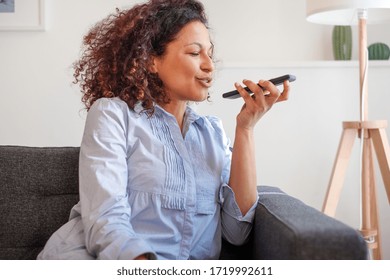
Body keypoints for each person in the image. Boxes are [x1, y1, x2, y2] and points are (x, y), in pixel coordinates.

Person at [38, 0, 290, 260]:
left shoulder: (212, 134)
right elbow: (106, 218)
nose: (209, 65)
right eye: (194, 53)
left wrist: (246, 128)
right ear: (151, 61)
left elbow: (237, 232)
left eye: (210, 54)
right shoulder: (113, 115)